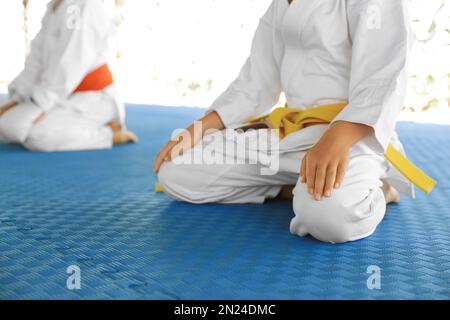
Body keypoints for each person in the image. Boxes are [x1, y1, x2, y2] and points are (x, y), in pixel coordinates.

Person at [154, 0, 418, 243]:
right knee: (176, 169)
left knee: (328, 217)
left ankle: (379, 188)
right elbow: (256, 81)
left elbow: (383, 78)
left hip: (350, 139)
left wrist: (337, 137)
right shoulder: (281, 4)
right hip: (291, 134)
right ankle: (289, 187)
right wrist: (200, 127)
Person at [0, 0, 137, 152]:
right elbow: (35, 65)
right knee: (6, 126)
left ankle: (108, 133)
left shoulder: (85, 5)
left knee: (37, 135)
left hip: (93, 99)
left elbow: (70, 64)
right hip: (60, 97)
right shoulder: (53, 8)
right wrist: (16, 99)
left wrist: (40, 105)